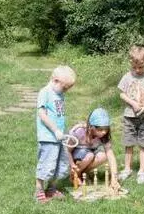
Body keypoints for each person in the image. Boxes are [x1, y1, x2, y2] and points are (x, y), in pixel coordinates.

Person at [117, 45, 144, 184]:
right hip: (129, 116)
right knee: (128, 143)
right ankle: (127, 169)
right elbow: (122, 94)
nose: (137, 70)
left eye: (141, 67)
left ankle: (142, 171)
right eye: (134, 67)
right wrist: (133, 103)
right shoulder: (127, 76)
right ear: (131, 64)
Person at [34, 65, 76, 203]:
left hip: (59, 137)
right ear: (55, 80)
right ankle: (39, 190)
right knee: (47, 163)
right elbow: (42, 114)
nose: (66, 91)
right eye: (65, 88)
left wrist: (63, 132)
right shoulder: (44, 92)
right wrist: (55, 130)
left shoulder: (60, 94)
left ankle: (51, 189)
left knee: (59, 164)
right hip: (48, 137)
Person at [67, 108, 121, 191]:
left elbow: (110, 156)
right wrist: (72, 165)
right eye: (100, 129)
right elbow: (67, 151)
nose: (104, 132)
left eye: (106, 129)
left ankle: (82, 173)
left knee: (103, 156)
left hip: (88, 155)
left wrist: (114, 178)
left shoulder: (103, 136)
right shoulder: (79, 132)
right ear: (91, 127)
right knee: (90, 155)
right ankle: (74, 175)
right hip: (75, 158)